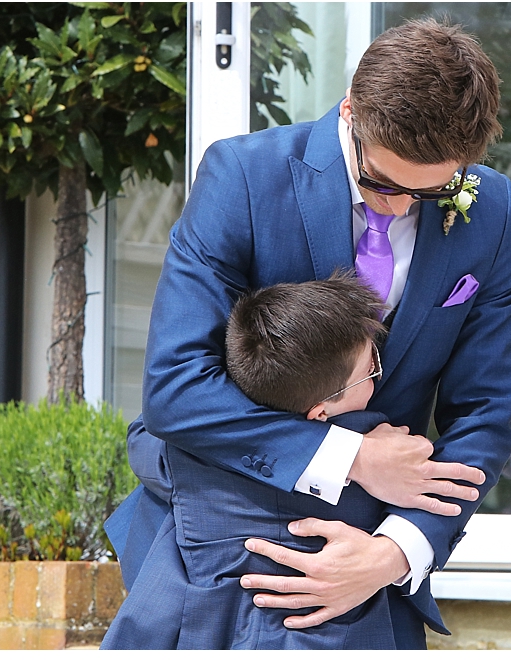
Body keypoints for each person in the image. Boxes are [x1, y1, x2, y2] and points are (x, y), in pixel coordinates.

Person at [106, 17, 511, 650]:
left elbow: (485, 414)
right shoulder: (244, 177)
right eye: (384, 183)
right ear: (353, 112)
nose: (402, 207)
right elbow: (176, 386)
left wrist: (393, 553)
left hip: (369, 573)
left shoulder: (492, 212)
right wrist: (354, 459)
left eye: (435, 190)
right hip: (214, 552)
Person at [104, 275, 450, 648]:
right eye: (370, 370)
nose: (376, 377)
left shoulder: (188, 452)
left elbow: (144, 436)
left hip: (200, 632)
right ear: (319, 412)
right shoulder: (382, 452)